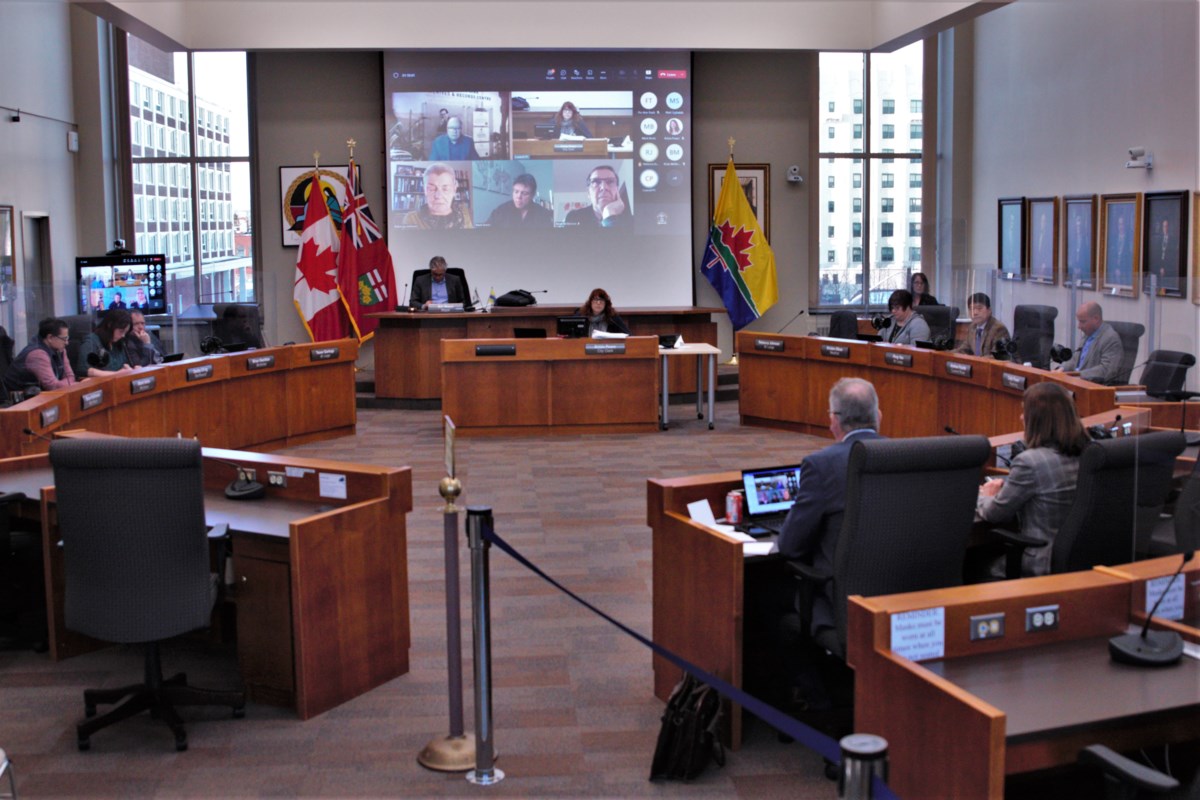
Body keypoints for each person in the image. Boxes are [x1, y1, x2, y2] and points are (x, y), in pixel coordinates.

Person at [775, 378, 882, 645]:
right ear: (878, 415)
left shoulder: (821, 465)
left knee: (766, 597)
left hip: (842, 603)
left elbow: (789, 546)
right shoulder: (907, 455)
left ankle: (813, 687)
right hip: (904, 599)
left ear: (833, 420)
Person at [975, 382, 1090, 577]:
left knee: (973, 564)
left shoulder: (1030, 462)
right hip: (1082, 559)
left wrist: (985, 495)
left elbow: (994, 514)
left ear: (1037, 419)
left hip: (1041, 563)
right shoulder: (1090, 453)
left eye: (1024, 411)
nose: (1021, 417)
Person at [3, 317, 77, 393]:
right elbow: (52, 386)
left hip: (40, 395)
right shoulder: (37, 354)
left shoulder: (60, 349)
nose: (67, 343)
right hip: (18, 400)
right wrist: (75, 385)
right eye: (64, 339)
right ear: (50, 338)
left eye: (67, 338)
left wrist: (69, 384)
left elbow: (69, 376)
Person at [1056, 301, 1123, 384]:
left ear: (1096, 319)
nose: (1079, 326)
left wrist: (1078, 375)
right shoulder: (1088, 334)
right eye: (1079, 321)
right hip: (1077, 383)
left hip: (1093, 388)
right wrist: (1061, 369)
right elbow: (1075, 359)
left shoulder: (1110, 338)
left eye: (1083, 322)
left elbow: (1106, 370)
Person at [402, 163, 473, 229]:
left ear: (454, 190)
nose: (438, 196)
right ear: (425, 190)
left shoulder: (464, 213)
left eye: (445, 189)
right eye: (432, 189)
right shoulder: (412, 219)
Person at [564, 165, 631, 229]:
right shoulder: (573, 218)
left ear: (617, 190)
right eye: (596, 182)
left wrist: (609, 215)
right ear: (588, 193)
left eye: (610, 182)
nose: (604, 187)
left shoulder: (631, 221)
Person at [75, 308, 134, 378]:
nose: (123, 335)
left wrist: (128, 369)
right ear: (110, 325)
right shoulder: (92, 341)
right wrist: (117, 374)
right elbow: (84, 369)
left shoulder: (119, 343)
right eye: (121, 331)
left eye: (125, 332)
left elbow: (124, 364)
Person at [485, 174, 552, 228]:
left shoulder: (543, 214)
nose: (518, 197)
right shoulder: (500, 210)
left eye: (524, 193)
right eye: (516, 191)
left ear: (533, 195)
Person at [955, 292, 1010, 357]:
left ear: (989, 310)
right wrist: (949, 354)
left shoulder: (999, 329)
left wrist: (975, 361)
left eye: (979, 308)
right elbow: (964, 349)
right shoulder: (972, 327)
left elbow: (997, 356)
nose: (975, 313)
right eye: (971, 309)